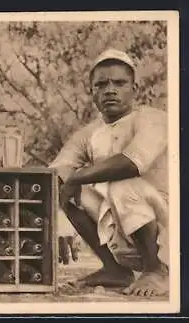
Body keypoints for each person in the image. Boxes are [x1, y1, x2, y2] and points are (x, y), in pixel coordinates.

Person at [51, 49, 169, 297]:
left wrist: (77, 176)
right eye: (101, 84)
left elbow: (130, 163)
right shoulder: (90, 132)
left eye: (120, 83)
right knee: (72, 193)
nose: (110, 90)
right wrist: (59, 218)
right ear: (92, 92)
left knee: (121, 183)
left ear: (134, 89)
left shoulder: (154, 119)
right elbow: (58, 172)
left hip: (169, 228)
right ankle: (114, 269)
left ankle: (155, 271)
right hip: (123, 224)